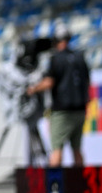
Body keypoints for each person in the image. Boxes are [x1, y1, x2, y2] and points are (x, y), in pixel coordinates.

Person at [26, 26, 91, 168]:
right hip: (80, 110)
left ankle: (53, 187)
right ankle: (80, 184)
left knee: (56, 150)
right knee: (77, 150)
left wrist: (33, 89)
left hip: (62, 111)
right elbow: (87, 82)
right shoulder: (80, 57)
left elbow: (49, 82)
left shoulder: (56, 59)